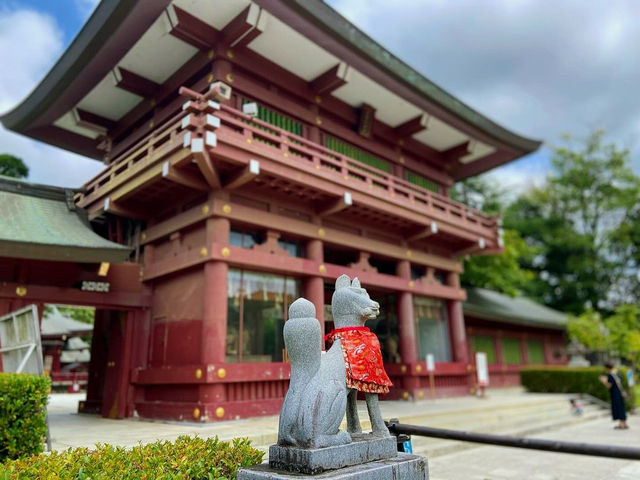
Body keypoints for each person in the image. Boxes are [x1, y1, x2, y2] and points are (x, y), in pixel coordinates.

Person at [599, 362, 628, 429]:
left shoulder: (610, 375)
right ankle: (624, 423)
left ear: (607, 368)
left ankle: (621, 424)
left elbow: (609, 385)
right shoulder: (617, 373)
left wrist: (603, 381)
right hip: (620, 392)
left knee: (618, 408)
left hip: (615, 394)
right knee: (621, 407)